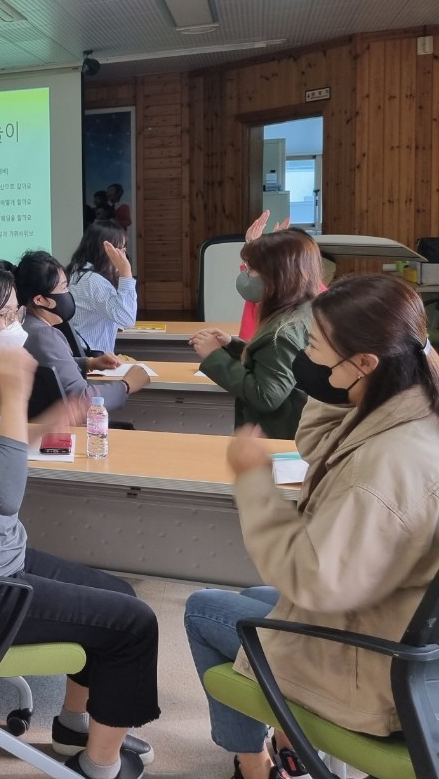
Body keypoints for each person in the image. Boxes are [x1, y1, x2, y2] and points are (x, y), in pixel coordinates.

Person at [0, 256, 159, 779]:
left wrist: (46, 421)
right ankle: (101, 766)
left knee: (120, 595)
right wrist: (17, 398)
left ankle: (74, 725)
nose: (15, 326)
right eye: (5, 315)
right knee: (133, 624)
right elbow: (2, 493)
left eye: (17, 313)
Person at [185, 275, 439, 779]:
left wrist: (253, 483)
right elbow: (321, 444)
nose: (304, 357)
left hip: (375, 675)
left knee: (203, 608)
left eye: (315, 346)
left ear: (365, 362)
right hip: (401, 631)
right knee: (254, 595)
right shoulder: (413, 404)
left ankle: (255, 766)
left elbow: (309, 579)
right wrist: (343, 383)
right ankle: (290, 748)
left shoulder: (384, 466)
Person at [192, 229, 322, 439]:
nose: (246, 276)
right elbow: (272, 360)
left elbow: (266, 396)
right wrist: (232, 345)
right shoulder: (305, 309)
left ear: (276, 275)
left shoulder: (283, 332)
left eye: (251, 270)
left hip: (273, 437)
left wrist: (215, 357)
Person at [17, 251, 148, 413]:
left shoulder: (25, 326)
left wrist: (89, 363)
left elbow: (50, 369)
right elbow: (82, 399)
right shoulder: (45, 335)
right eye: (63, 287)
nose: (68, 293)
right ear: (40, 300)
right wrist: (127, 385)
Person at [66, 221, 137, 354]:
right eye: (119, 249)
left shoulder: (78, 272)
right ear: (104, 250)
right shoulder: (93, 280)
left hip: (84, 354)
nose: (123, 255)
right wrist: (126, 273)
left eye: (124, 249)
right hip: (94, 358)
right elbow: (127, 318)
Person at [238, 211, 292, 341]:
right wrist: (251, 243)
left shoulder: (310, 299)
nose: (247, 273)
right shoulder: (258, 291)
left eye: (251, 268)